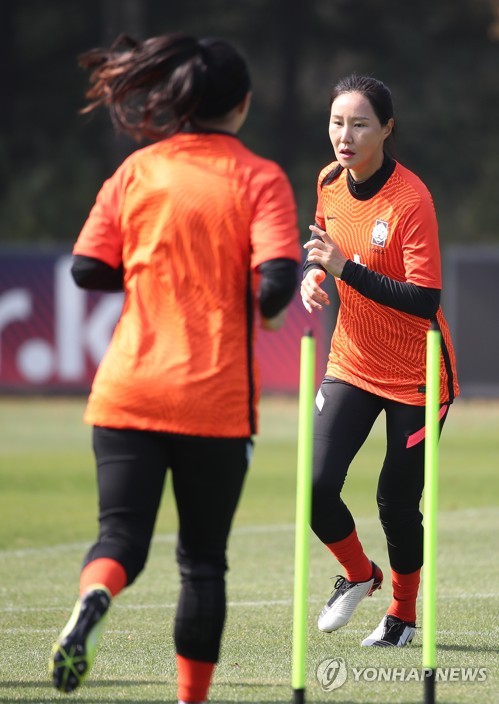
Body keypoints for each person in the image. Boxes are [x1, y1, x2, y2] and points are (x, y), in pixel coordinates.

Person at [49, 33, 300, 703]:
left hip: (128, 390)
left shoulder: (136, 170)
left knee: (120, 536)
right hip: (212, 401)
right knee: (202, 565)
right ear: (242, 105)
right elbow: (275, 283)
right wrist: (258, 301)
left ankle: (96, 596)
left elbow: (86, 268)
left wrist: (151, 275)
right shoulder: (258, 176)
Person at [301, 74, 459, 647]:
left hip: (418, 373)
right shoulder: (327, 181)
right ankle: (357, 573)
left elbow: (425, 301)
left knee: (395, 500)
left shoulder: (411, 199)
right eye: (337, 122)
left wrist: (346, 270)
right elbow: (320, 245)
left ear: (387, 129)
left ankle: (402, 614)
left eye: (360, 123)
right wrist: (314, 276)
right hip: (352, 360)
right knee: (313, 485)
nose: (345, 135)